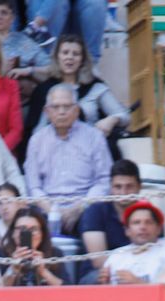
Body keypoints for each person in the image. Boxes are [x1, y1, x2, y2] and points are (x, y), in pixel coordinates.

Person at [23, 82, 110, 235]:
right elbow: (33, 186)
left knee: (93, 223)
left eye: (67, 106)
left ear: (76, 110)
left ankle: (90, 259)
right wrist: (53, 212)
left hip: (85, 208)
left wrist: (80, 207)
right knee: (26, 227)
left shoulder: (94, 137)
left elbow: (104, 181)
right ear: (47, 111)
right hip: (46, 208)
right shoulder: (37, 140)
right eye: (56, 107)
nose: (61, 112)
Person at [25, 34, 128, 145]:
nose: (70, 57)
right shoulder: (43, 90)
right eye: (65, 53)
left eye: (76, 54)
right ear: (57, 57)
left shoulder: (95, 86)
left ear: (82, 59)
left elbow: (124, 116)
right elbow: (35, 132)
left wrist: (112, 120)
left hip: (91, 147)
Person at [77, 158, 138, 281]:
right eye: (118, 187)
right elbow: (99, 262)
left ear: (139, 187)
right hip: (97, 274)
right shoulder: (95, 211)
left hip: (138, 271)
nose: (123, 192)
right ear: (110, 187)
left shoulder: (147, 212)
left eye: (129, 186)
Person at [96, 201, 165, 284]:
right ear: (127, 230)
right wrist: (105, 283)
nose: (142, 227)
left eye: (148, 222)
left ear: (158, 229)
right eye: (136, 222)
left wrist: (138, 283)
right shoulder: (116, 256)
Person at [0, 205, 69, 286]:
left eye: (33, 229)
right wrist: (12, 270)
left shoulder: (55, 254)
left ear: (42, 234)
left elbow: (67, 291)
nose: (28, 234)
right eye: (22, 229)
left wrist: (43, 272)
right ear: (13, 233)